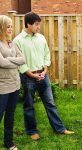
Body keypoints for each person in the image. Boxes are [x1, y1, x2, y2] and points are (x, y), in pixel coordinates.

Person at [13, 12, 74, 140]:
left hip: (43, 75)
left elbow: (47, 54)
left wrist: (45, 69)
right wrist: (30, 74)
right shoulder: (18, 41)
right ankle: (32, 131)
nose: (38, 27)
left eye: (39, 24)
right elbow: (18, 61)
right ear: (28, 24)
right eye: (36, 24)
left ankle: (60, 129)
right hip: (28, 77)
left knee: (50, 103)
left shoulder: (41, 38)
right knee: (29, 105)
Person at [0, 15, 25, 150]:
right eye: (8, 26)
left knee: (10, 116)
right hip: (2, 87)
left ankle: (8, 142)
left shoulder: (12, 43)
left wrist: (8, 59)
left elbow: (23, 59)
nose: (10, 29)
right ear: (1, 27)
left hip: (15, 85)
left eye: (11, 26)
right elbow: (1, 63)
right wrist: (13, 60)